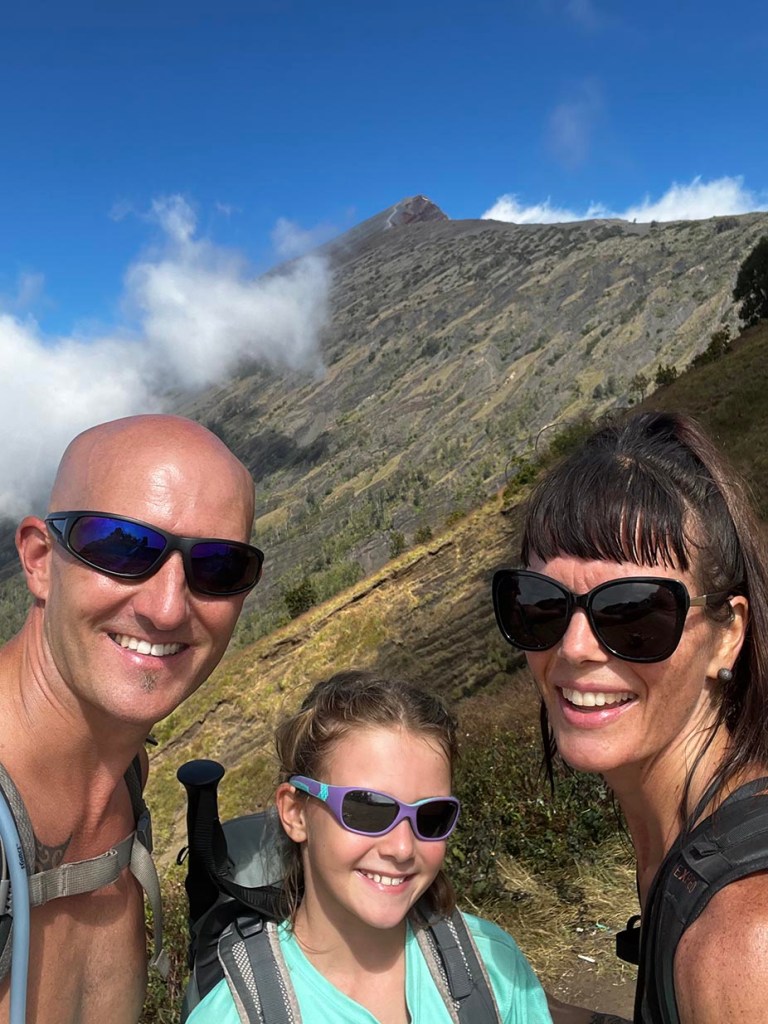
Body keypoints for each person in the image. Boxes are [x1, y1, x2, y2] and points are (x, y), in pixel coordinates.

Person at [492, 410, 768, 1024]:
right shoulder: (689, 845)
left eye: (635, 613)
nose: (574, 648)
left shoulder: (742, 939)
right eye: (541, 605)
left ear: (728, 634)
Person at [0, 414, 263, 1024]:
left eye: (218, 566)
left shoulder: (125, 778)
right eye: (123, 547)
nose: (167, 609)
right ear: (40, 560)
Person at [186, 670, 554, 1024]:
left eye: (432, 816)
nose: (402, 848)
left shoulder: (494, 970)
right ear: (296, 813)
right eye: (368, 810)